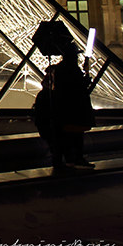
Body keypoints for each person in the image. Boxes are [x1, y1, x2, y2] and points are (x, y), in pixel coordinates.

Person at [34, 42, 95, 170]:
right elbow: (75, 88)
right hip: (73, 108)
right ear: (71, 56)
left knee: (68, 137)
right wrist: (85, 80)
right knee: (75, 137)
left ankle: (67, 160)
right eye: (75, 55)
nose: (77, 58)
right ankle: (76, 158)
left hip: (66, 109)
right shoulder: (71, 69)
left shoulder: (62, 68)